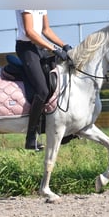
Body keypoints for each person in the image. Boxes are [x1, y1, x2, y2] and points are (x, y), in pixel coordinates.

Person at [15, 10, 72, 151]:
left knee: (58, 81)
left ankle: (62, 128)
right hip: (27, 48)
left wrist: (64, 45)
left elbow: (46, 30)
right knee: (42, 90)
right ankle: (30, 137)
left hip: (40, 47)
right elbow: (29, 32)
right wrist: (54, 49)